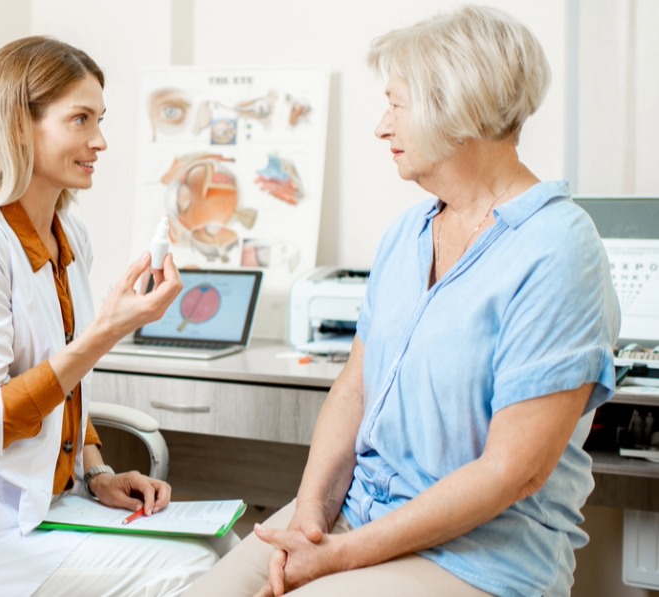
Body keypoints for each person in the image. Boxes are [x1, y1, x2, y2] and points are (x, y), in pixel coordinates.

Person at [186, 6, 620, 597]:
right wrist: (312, 518)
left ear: (457, 106)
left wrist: (340, 557)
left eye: (396, 104)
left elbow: (514, 471)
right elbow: (355, 388)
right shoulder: (409, 232)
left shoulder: (558, 251)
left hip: (478, 556)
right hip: (356, 515)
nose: (381, 126)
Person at [0, 36, 219, 596]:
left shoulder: (68, 235)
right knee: (197, 570)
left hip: (48, 509)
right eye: (80, 120)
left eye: (99, 120)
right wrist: (107, 332)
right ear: (18, 127)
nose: (99, 141)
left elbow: (63, 386)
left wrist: (97, 471)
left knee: (222, 547)